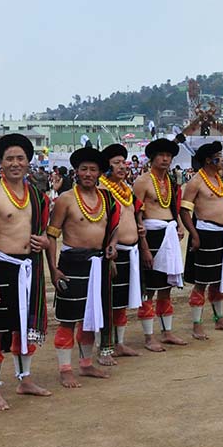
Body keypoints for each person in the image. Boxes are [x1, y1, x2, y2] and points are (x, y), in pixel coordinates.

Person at [0, 133, 52, 410]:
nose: (15, 163)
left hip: (28, 267)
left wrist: (43, 242)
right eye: (9, 158)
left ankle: (25, 379)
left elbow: (43, 233)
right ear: (0, 162)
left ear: (28, 161)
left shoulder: (36, 195)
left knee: (26, 327)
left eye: (20, 158)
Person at [46, 147, 120, 386]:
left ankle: (86, 364)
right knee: (68, 318)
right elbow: (51, 236)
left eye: (93, 169)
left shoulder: (107, 198)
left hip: (99, 264)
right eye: (84, 169)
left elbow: (114, 228)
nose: (88, 173)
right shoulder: (66, 199)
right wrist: (53, 269)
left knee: (91, 316)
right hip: (72, 264)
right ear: (76, 171)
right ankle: (65, 368)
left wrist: (113, 246)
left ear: (100, 173)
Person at [181, 141, 223, 339]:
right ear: (209, 160)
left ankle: (219, 319)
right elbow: (184, 210)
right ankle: (197, 324)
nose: (222, 160)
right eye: (219, 156)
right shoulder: (195, 182)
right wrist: (195, 235)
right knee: (202, 282)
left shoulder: (221, 180)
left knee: (218, 280)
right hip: (206, 233)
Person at [133, 139, 187, 351]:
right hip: (151, 236)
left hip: (170, 234)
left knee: (166, 287)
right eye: (161, 155)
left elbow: (174, 207)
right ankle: (149, 336)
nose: (165, 159)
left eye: (168, 155)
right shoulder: (142, 181)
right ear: (152, 158)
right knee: (149, 289)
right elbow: (136, 212)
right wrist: (144, 245)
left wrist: (180, 226)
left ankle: (167, 332)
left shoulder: (172, 182)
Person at [99, 144, 143, 357]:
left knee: (121, 301)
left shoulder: (126, 188)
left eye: (123, 162)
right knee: (108, 300)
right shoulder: (102, 189)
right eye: (116, 163)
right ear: (106, 166)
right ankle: (105, 344)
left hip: (130, 250)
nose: (122, 166)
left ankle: (120, 342)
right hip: (112, 252)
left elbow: (133, 214)